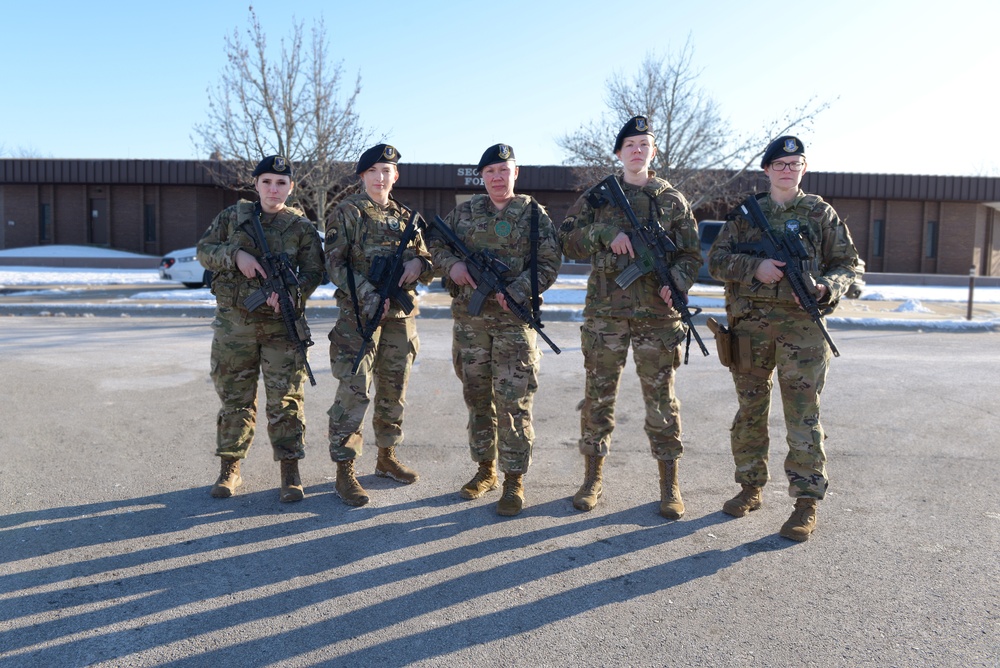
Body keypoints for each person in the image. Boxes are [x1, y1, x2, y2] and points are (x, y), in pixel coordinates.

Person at [707, 135, 862, 541]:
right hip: (749, 329)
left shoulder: (819, 213)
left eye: (795, 164)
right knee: (750, 412)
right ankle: (750, 487)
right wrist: (754, 266)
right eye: (780, 164)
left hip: (803, 332)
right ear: (768, 170)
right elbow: (716, 260)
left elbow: (850, 265)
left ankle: (806, 502)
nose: (787, 170)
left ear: (803, 170)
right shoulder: (746, 213)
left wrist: (826, 287)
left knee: (803, 415)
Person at [559, 116, 701, 519]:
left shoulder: (673, 200)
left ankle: (670, 485)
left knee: (662, 403)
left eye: (645, 144)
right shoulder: (599, 198)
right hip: (606, 315)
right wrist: (604, 234)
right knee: (598, 398)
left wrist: (677, 284)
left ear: (653, 152)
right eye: (630, 145)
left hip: (658, 317)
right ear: (619, 152)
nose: (637, 150)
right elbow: (565, 238)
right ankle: (591, 480)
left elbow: (691, 256)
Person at [429, 144, 561, 517]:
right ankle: (484, 469)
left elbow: (550, 263)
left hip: (515, 323)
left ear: (515, 173)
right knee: (477, 399)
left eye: (503, 170)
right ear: (481, 177)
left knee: (514, 403)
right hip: (470, 324)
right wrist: (452, 264)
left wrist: (518, 290)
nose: (497, 178)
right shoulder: (466, 212)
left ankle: (514, 479)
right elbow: (434, 244)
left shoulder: (535, 215)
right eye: (490, 172)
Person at [196, 155, 325, 502]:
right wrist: (236, 255)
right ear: (256, 184)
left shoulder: (301, 228)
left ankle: (290, 470)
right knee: (235, 399)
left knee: (286, 401)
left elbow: (315, 273)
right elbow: (204, 251)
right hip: (234, 327)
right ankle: (230, 468)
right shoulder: (233, 218)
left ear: (291, 187)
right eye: (267, 181)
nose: (273, 189)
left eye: (281, 183)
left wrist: (289, 296)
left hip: (281, 328)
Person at [324, 144, 433, 507]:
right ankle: (345, 470)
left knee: (394, 390)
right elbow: (335, 264)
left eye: (386, 171)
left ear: (395, 176)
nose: (380, 178)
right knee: (354, 391)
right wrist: (371, 295)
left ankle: (387, 458)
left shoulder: (406, 216)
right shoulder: (348, 211)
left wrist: (419, 265)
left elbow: (426, 258)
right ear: (363, 176)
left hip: (401, 320)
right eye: (373, 171)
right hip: (359, 318)